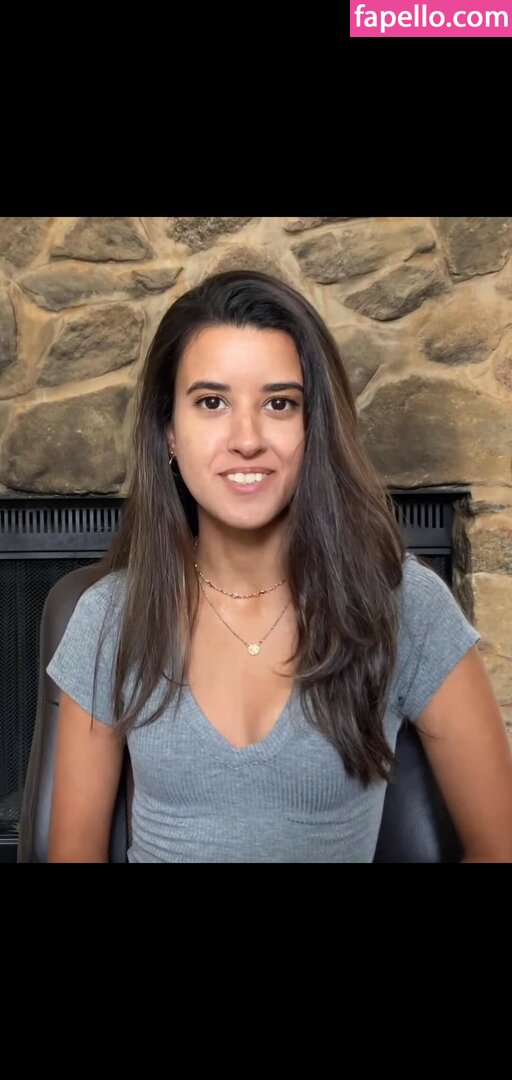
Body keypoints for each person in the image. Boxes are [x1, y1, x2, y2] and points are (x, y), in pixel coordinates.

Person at [45, 269, 512, 863]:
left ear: (314, 427)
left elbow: (500, 846)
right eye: (211, 402)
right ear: (169, 432)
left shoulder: (402, 602)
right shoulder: (110, 617)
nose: (247, 439)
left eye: (279, 403)